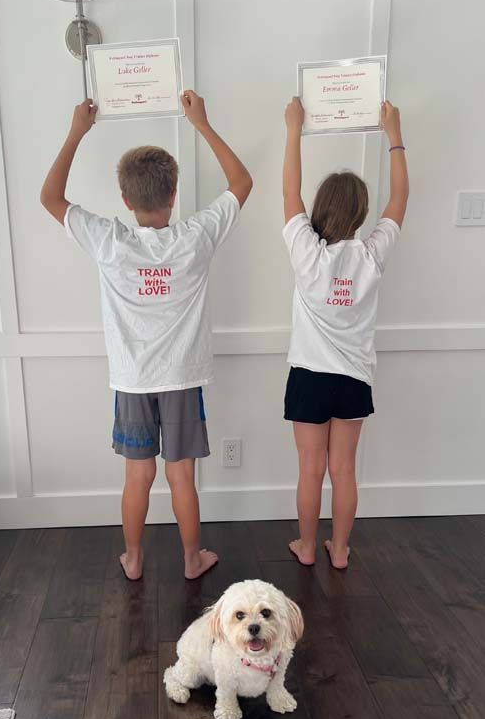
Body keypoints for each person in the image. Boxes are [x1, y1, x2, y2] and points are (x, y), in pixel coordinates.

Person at [40, 90, 252, 580]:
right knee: (182, 475)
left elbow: (50, 198)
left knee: (138, 475)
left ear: (126, 200)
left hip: (132, 381)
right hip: (181, 379)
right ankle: (191, 558)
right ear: (174, 194)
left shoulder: (110, 241)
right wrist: (201, 122)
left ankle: (133, 558)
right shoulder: (195, 237)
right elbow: (242, 182)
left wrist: (76, 132)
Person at [282, 98, 408, 569]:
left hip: (310, 377)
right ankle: (339, 551)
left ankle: (309, 547)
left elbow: (288, 190)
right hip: (353, 378)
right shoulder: (371, 256)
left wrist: (293, 129)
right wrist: (394, 135)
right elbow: (400, 200)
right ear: (361, 214)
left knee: (310, 470)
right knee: (344, 470)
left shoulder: (306, 254)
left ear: (320, 209)